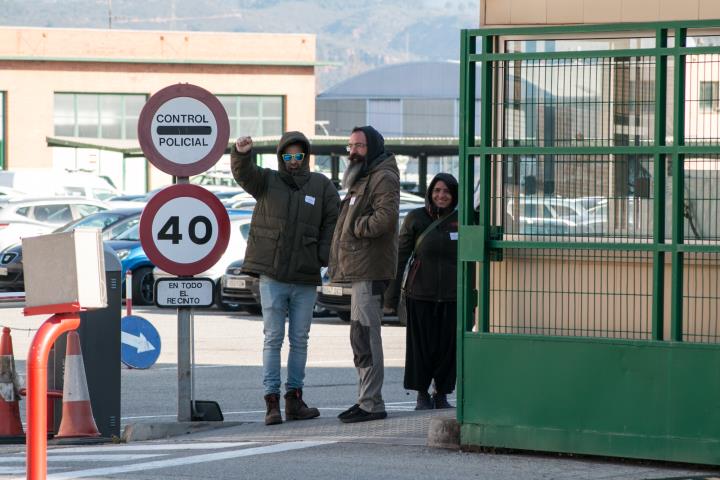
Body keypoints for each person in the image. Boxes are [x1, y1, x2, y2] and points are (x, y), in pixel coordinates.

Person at [232, 132, 340, 426]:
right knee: (273, 338)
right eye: (288, 156)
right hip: (273, 275)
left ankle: (294, 400)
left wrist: (321, 255)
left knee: (300, 339)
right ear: (281, 157)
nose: (293, 162)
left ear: (306, 156)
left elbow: (333, 220)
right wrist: (241, 154)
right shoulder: (267, 180)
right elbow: (244, 174)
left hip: (305, 278)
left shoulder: (321, 185)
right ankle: (271, 403)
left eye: (298, 156)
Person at [328, 125, 400, 423]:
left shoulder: (383, 176)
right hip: (360, 270)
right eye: (350, 145)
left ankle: (372, 403)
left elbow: (385, 218)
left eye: (358, 145)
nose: (352, 151)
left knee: (367, 336)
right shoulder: (364, 177)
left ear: (373, 147)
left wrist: (357, 228)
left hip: (370, 269)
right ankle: (367, 399)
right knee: (360, 336)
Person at [385, 173, 458, 410]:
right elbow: (401, 257)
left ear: (454, 195)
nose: (441, 195)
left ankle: (442, 393)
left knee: (448, 349)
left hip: (452, 296)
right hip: (420, 295)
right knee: (420, 349)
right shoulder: (416, 218)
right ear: (430, 192)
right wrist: (391, 296)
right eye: (437, 190)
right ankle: (421, 394)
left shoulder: (462, 219)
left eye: (446, 191)